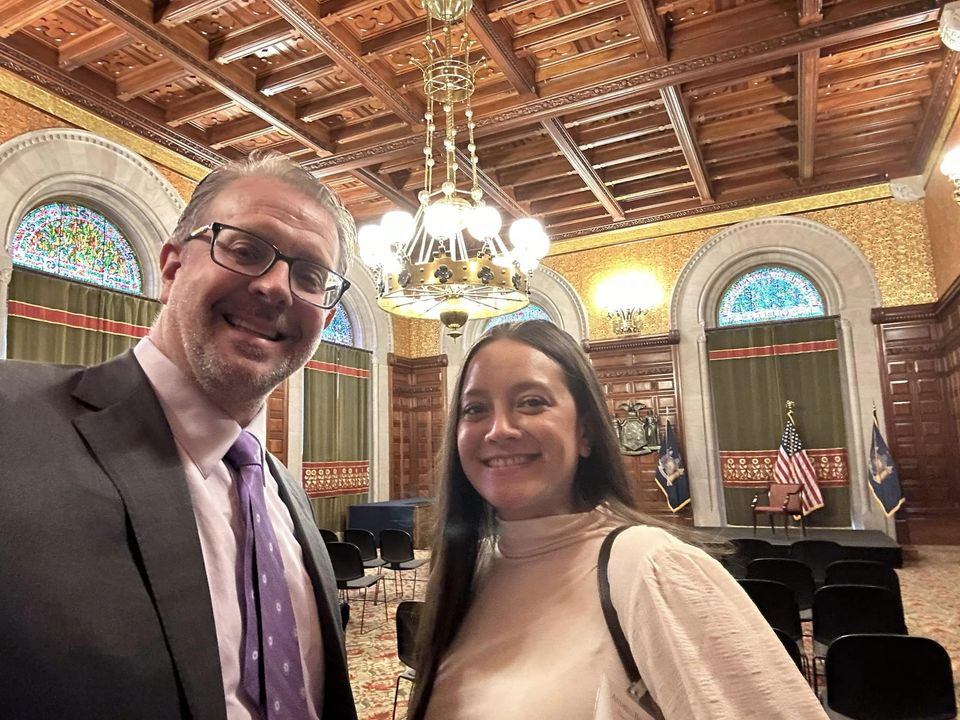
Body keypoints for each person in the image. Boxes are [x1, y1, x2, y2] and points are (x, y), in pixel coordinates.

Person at [0, 151, 359, 720]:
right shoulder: (13, 425)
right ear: (171, 270)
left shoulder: (281, 491)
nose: (277, 288)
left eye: (310, 276)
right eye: (245, 250)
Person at [408, 320, 827, 719]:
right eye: (475, 409)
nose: (498, 430)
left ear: (586, 432)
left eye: (532, 402)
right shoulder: (473, 567)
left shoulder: (652, 567)